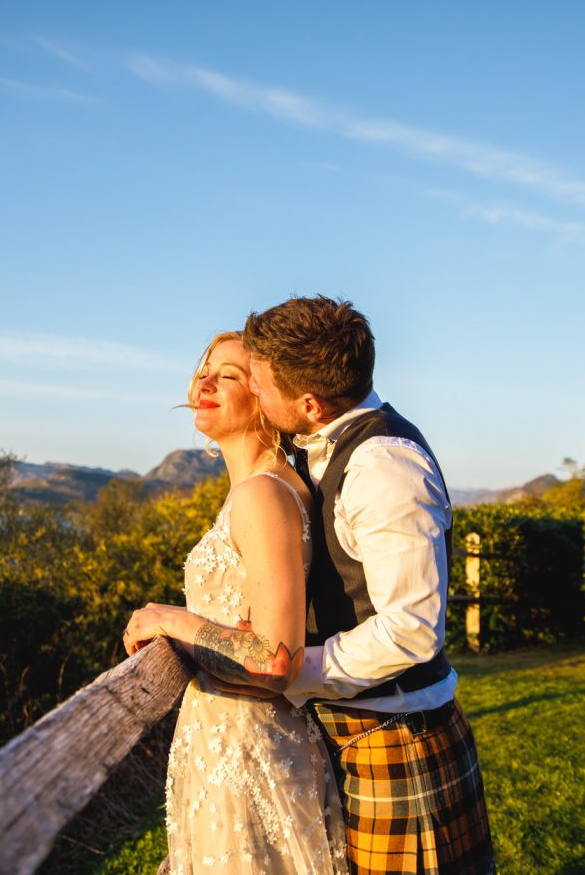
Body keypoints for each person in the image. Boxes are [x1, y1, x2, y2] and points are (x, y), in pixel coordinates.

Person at [241, 296, 496, 875]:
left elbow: (410, 631)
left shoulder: (384, 466)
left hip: (398, 738)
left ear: (310, 403)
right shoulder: (320, 446)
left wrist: (291, 669)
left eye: (260, 384)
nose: (254, 393)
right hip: (354, 731)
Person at [123, 331, 348, 874]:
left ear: (266, 397)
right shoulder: (257, 488)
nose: (204, 383)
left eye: (227, 375)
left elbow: (274, 660)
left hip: (249, 749)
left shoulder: (263, 494)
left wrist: (170, 619)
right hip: (225, 741)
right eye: (204, 370)